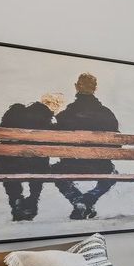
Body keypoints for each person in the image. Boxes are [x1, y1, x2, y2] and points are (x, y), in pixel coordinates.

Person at [0, 92, 65, 221]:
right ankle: (33, 200)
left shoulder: (16, 111)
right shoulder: (48, 124)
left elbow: (0, 134)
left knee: (8, 163)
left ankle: (16, 199)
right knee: (39, 162)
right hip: (36, 168)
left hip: (8, 164)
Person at [52, 72, 120, 219]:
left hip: (69, 165)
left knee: (54, 171)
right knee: (113, 174)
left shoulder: (64, 115)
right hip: (101, 166)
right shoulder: (107, 114)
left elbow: (54, 141)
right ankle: (88, 200)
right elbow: (117, 144)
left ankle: (79, 201)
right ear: (95, 88)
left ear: (76, 87)